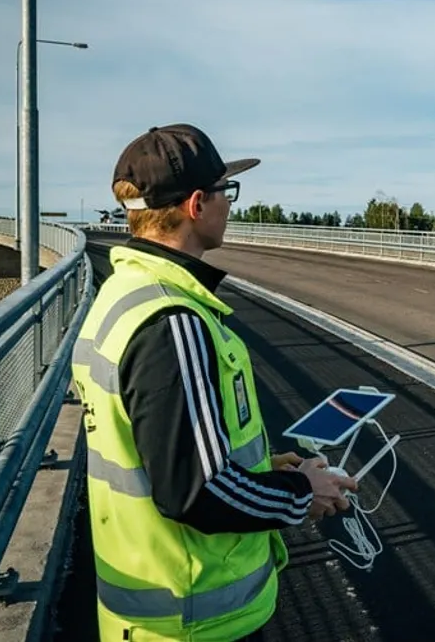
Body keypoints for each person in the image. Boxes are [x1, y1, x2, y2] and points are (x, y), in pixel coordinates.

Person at [70, 123, 360, 642]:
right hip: (195, 617)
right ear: (197, 205)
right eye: (227, 191)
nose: (232, 204)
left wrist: (262, 466)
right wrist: (301, 491)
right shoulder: (172, 321)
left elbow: (160, 452)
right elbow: (196, 492)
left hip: (148, 608)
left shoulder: (122, 295)